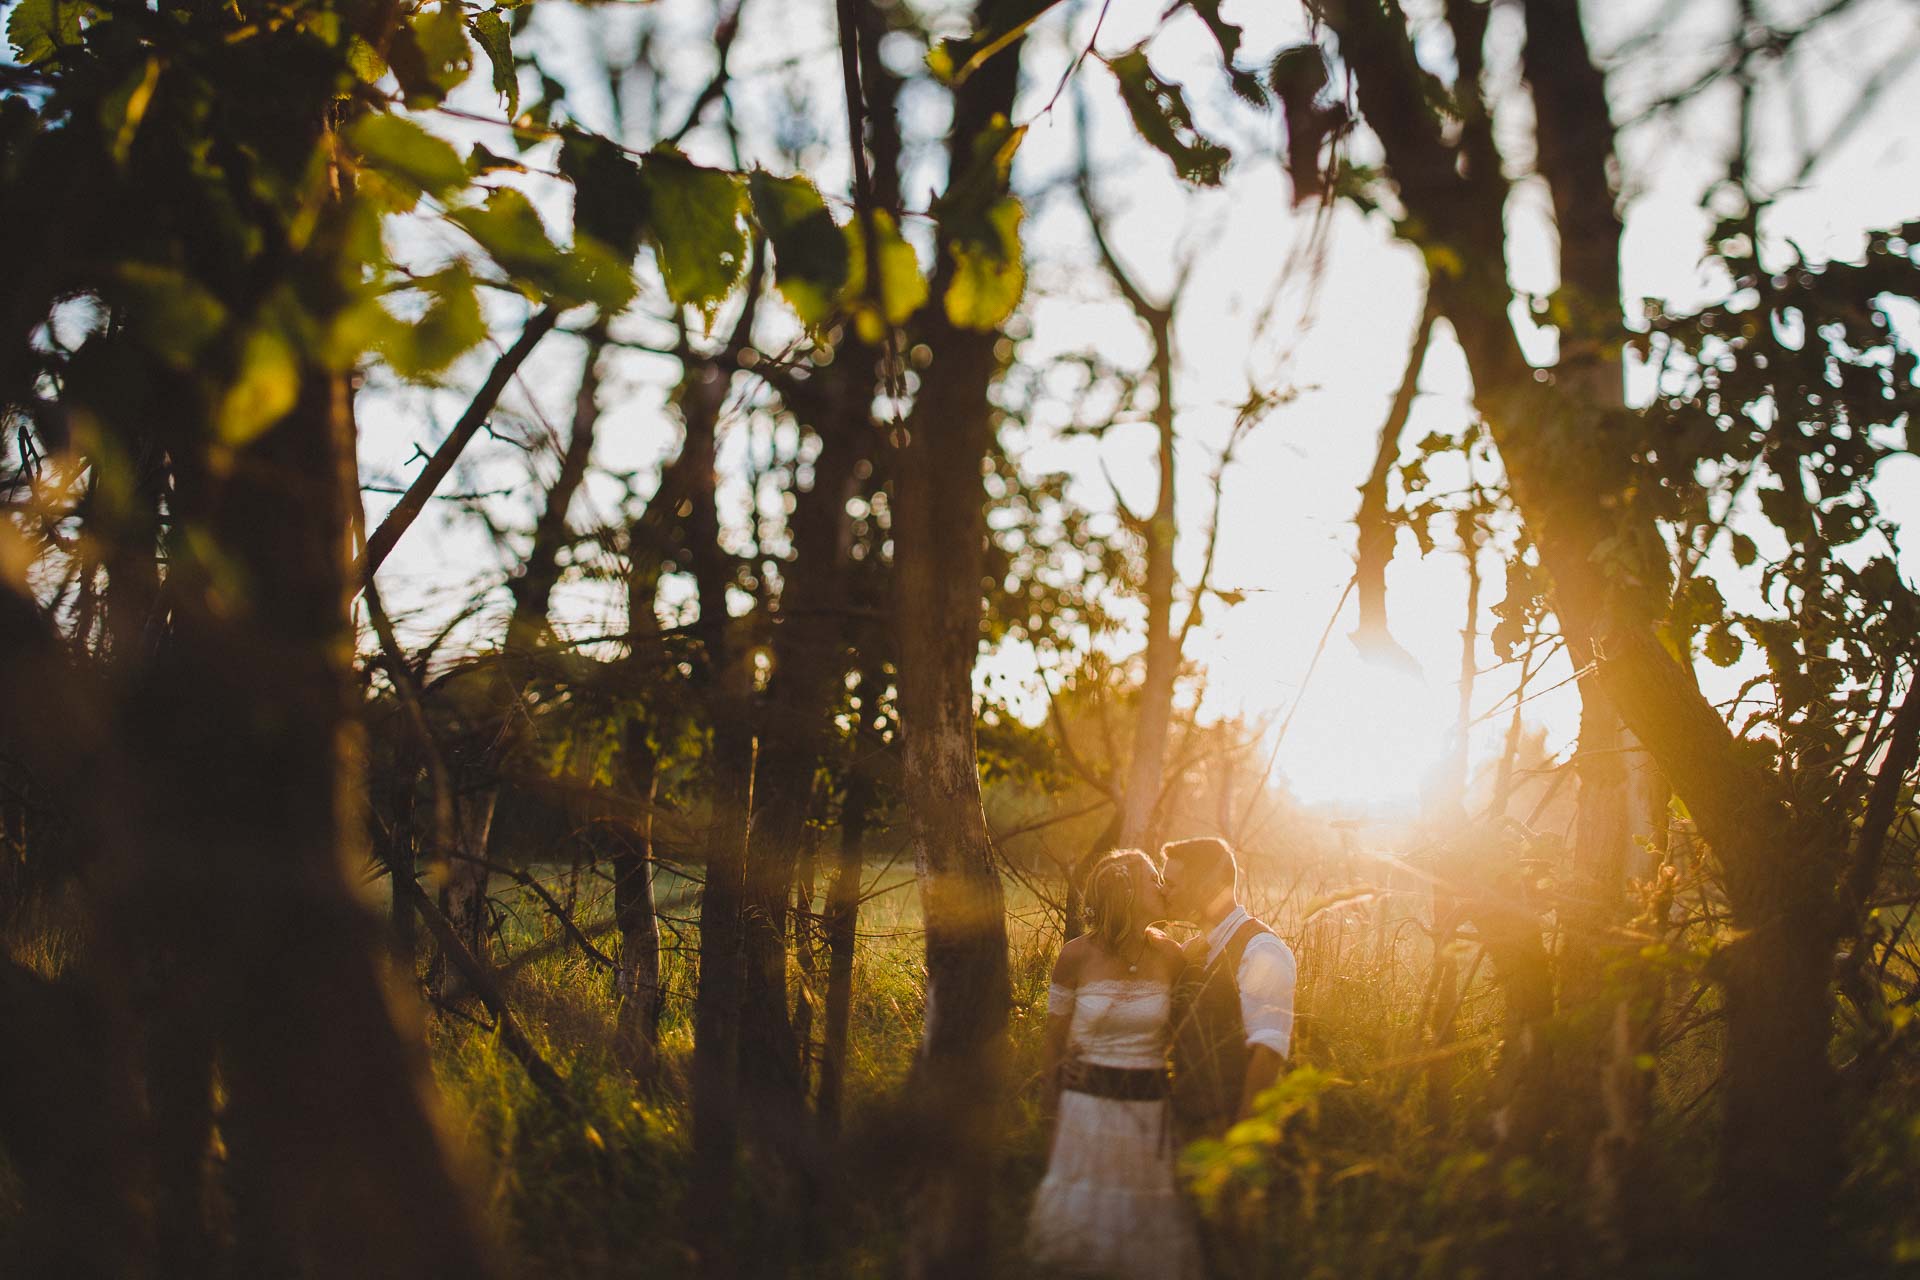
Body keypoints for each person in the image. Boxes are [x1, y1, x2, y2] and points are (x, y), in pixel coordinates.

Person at [1026, 849, 1204, 1280]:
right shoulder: (1075, 957)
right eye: (1152, 878)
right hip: (1085, 1112)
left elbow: (1189, 1036)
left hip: (1148, 1113)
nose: (1162, 885)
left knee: (1142, 1238)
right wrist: (1051, 1113)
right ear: (1124, 892)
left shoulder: (1173, 957)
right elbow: (1053, 1043)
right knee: (1084, 1237)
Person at [1160, 836, 1296, 1141]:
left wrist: (1239, 1146)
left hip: (1227, 1131)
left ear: (1205, 885)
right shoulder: (1193, 950)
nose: (1163, 892)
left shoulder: (1261, 949)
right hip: (1185, 1126)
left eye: (1171, 884)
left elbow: (1267, 1054)